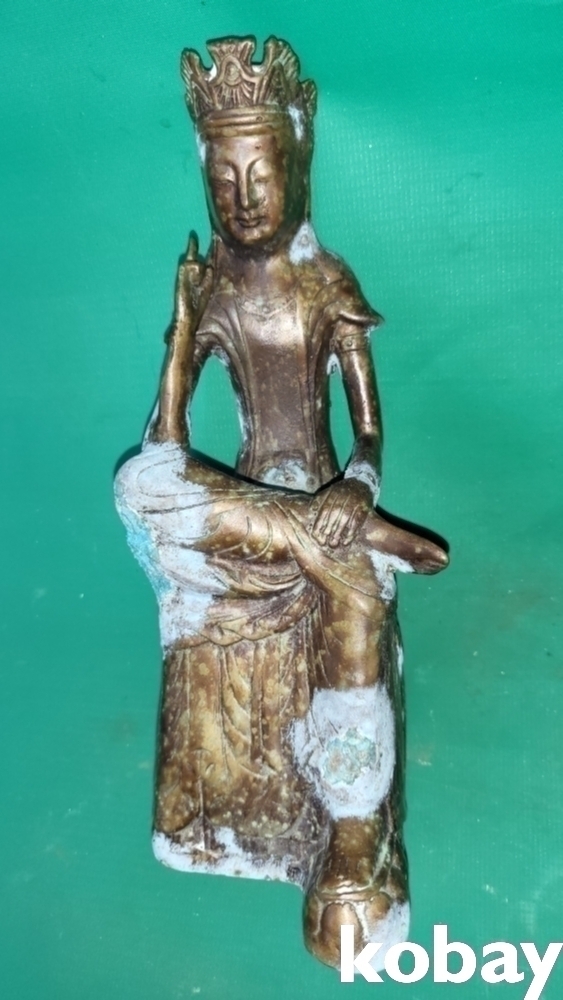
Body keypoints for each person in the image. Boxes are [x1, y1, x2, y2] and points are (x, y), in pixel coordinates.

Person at [115, 36, 448, 970]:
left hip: (326, 503)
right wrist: (182, 333)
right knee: (137, 485)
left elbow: (367, 430)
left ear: (297, 166)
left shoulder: (323, 282)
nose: (244, 197)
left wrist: (358, 487)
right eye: (223, 179)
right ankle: (312, 535)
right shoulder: (215, 287)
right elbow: (163, 448)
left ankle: (350, 843)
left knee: (353, 596)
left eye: (261, 173)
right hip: (256, 525)